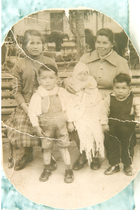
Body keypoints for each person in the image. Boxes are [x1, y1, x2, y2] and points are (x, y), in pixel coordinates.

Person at [64, 28, 131, 170]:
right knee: (76, 117)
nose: (100, 46)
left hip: (109, 100)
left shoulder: (120, 62)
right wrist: (66, 81)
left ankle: (95, 155)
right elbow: (75, 75)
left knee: (96, 118)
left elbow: (124, 86)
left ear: (112, 44)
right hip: (84, 98)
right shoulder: (86, 58)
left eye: (105, 43)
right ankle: (84, 152)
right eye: (98, 42)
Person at [6, 29, 57, 171]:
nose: (35, 46)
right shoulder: (20, 64)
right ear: (24, 45)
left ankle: (47, 152)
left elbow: (55, 84)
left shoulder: (49, 61)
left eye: (38, 43)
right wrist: (27, 108)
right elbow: (16, 90)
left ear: (43, 45)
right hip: (27, 104)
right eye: (31, 43)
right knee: (23, 123)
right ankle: (26, 154)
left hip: (47, 103)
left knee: (49, 122)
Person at [28, 64, 74, 183]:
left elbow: (70, 107)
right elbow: (32, 112)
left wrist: (70, 122)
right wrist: (36, 126)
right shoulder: (37, 95)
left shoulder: (62, 92)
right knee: (47, 148)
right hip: (46, 127)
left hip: (61, 125)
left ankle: (68, 169)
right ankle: (47, 168)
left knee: (64, 148)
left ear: (57, 78)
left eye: (51, 78)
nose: (47, 81)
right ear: (39, 80)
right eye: (44, 78)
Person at [101, 73, 140, 176]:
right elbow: (103, 112)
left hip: (127, 128)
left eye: (123, 88)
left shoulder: (134, 99)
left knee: (127, 146)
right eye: (117, 87)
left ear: (129, 88)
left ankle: (127, 164)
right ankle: (114, 164)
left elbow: (139, 111)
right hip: (112, 127)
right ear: (113, 87)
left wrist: (137, 120)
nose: (120, 91)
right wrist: (104, 124)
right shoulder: (108, 99)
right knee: (111, 145)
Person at [68, 62, 104, 166]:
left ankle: (96, 155)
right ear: (75, 75)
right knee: (80, 127)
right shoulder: (73, 88)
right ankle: (83, 153)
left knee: (95, 128)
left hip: (92, 113)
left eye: (85, 74)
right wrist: (71, 120)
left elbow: (98, 102)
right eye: (80, 74)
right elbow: (70, 105)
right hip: (78, 114)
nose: (83, 76)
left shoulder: (93, 87)